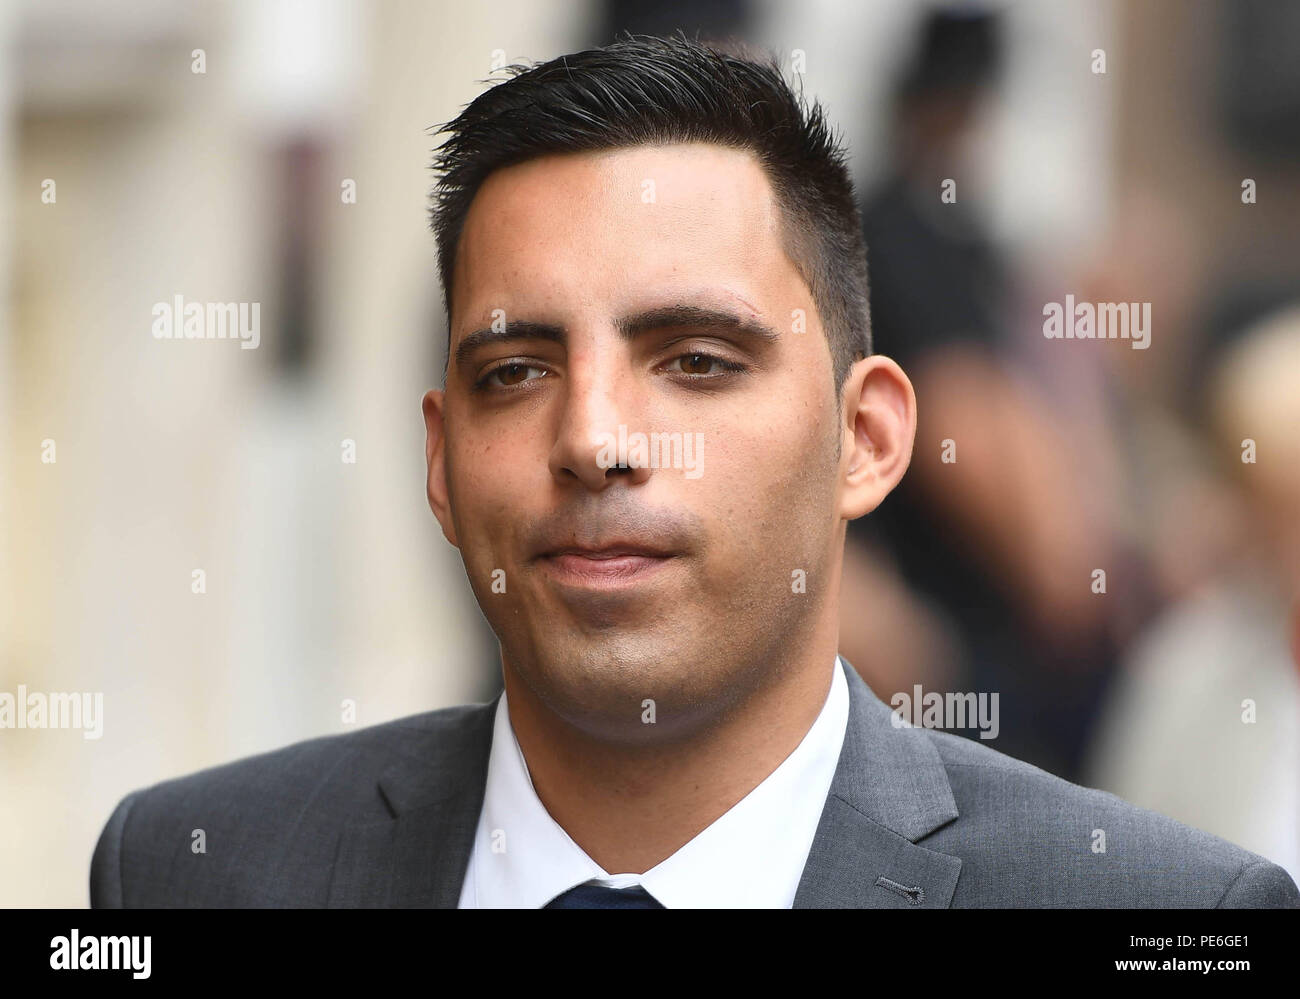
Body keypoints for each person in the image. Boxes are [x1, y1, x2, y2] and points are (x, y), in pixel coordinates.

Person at [90, 34, 1297, 908]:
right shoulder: (193, 872)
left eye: (697, 361)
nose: (597, 439)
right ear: (441, 460)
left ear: (867, 440)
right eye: (515, 370)